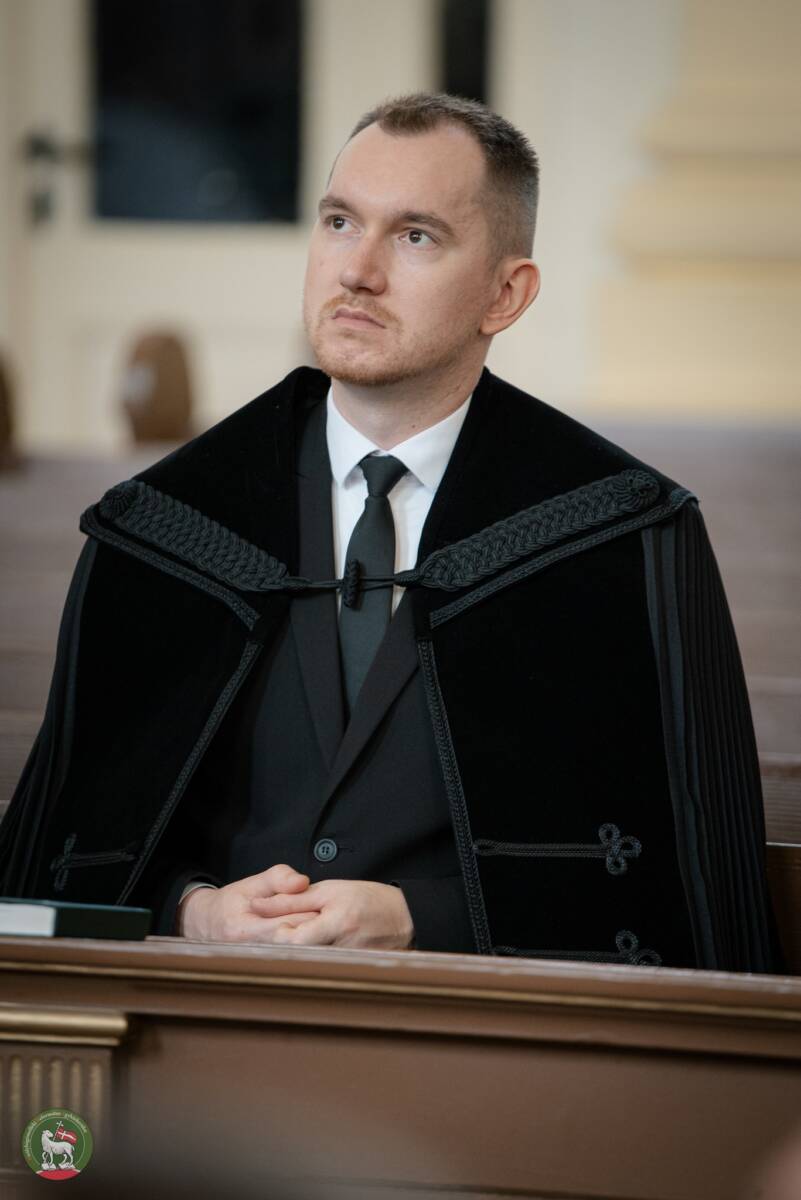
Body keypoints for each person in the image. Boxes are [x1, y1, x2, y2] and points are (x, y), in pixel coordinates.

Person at [0, 93, 781, 971]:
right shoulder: (164, 528)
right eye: (339, 222)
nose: (357, 272)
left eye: (415, 236)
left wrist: (425, 918)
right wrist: (192, 910)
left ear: (505, 294)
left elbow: (690, 890)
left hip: (493, 1031)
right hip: (200, 1004)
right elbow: (53, 862)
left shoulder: (620, 535)